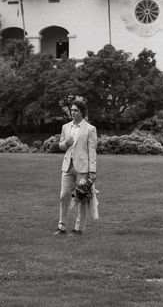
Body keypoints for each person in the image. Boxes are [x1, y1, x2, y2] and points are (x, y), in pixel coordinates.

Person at [54, 97, 97, 236]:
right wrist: (66, 143)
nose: (72, 112)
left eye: (75, 110)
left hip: (83, 168)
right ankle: (61, 227)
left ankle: (78, 229)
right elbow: (60, 145)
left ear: (82, 112)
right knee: (63, 196)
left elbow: (92, 150)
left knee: (81, 198)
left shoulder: (90, 129)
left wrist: (92, 170)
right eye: (71, 110)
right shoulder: (65, 127)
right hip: (67, 166)